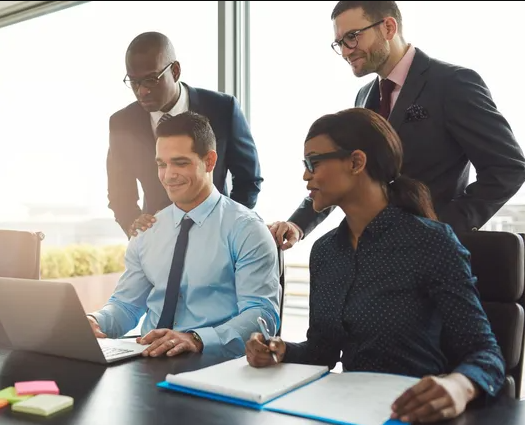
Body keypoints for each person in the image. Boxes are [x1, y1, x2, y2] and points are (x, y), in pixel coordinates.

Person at [245, 108, 506, 423]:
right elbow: (322, 354)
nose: (305, 175)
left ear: (356, 162)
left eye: (313, 162)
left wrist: (459, 386)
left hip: (416, 412)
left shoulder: (431, 242)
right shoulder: (325, 252)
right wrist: (280, 351)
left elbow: (486, 355)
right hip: (350, 411)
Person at [270, 0, 525, 249]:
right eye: (340, 42)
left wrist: (442, 227)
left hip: (431, 257)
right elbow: (349, 174)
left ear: (388, 28)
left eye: (353, 36)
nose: (346, 50)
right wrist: (298, 224)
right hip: (374, 251)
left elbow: (508, 168)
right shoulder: (364, 97)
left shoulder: (453, 84)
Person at [90, 111, 280, 359]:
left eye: (180, 163)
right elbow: (126, 306)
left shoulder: (246, 229)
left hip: (216, 365)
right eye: (161, 164)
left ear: (210, 161)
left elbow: (261, 316)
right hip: (148, 360)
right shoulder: (148, 230)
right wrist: (95, 321)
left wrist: (197, 339)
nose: (168, 175)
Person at [107, 31, 263, 238]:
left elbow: (248, 179)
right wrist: (134, 226)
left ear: (176, 71)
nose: (141, 91)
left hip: (217, 235)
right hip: (156, 238)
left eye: (151, 80)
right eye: (134, 82)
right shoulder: (122, 123)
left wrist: (228, 225)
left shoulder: (223, 109)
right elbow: (119, 192)